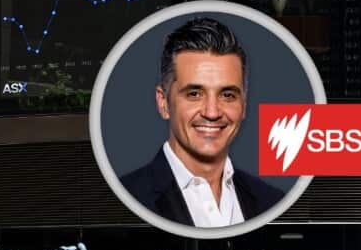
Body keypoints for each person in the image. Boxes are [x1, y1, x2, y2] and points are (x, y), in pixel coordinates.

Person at [119, 17, 282, 228]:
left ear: (244, 104)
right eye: (194, 94)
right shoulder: (128, 198)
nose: (212, 112)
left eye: (227, 95)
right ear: (163, 102)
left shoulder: (270, 200)